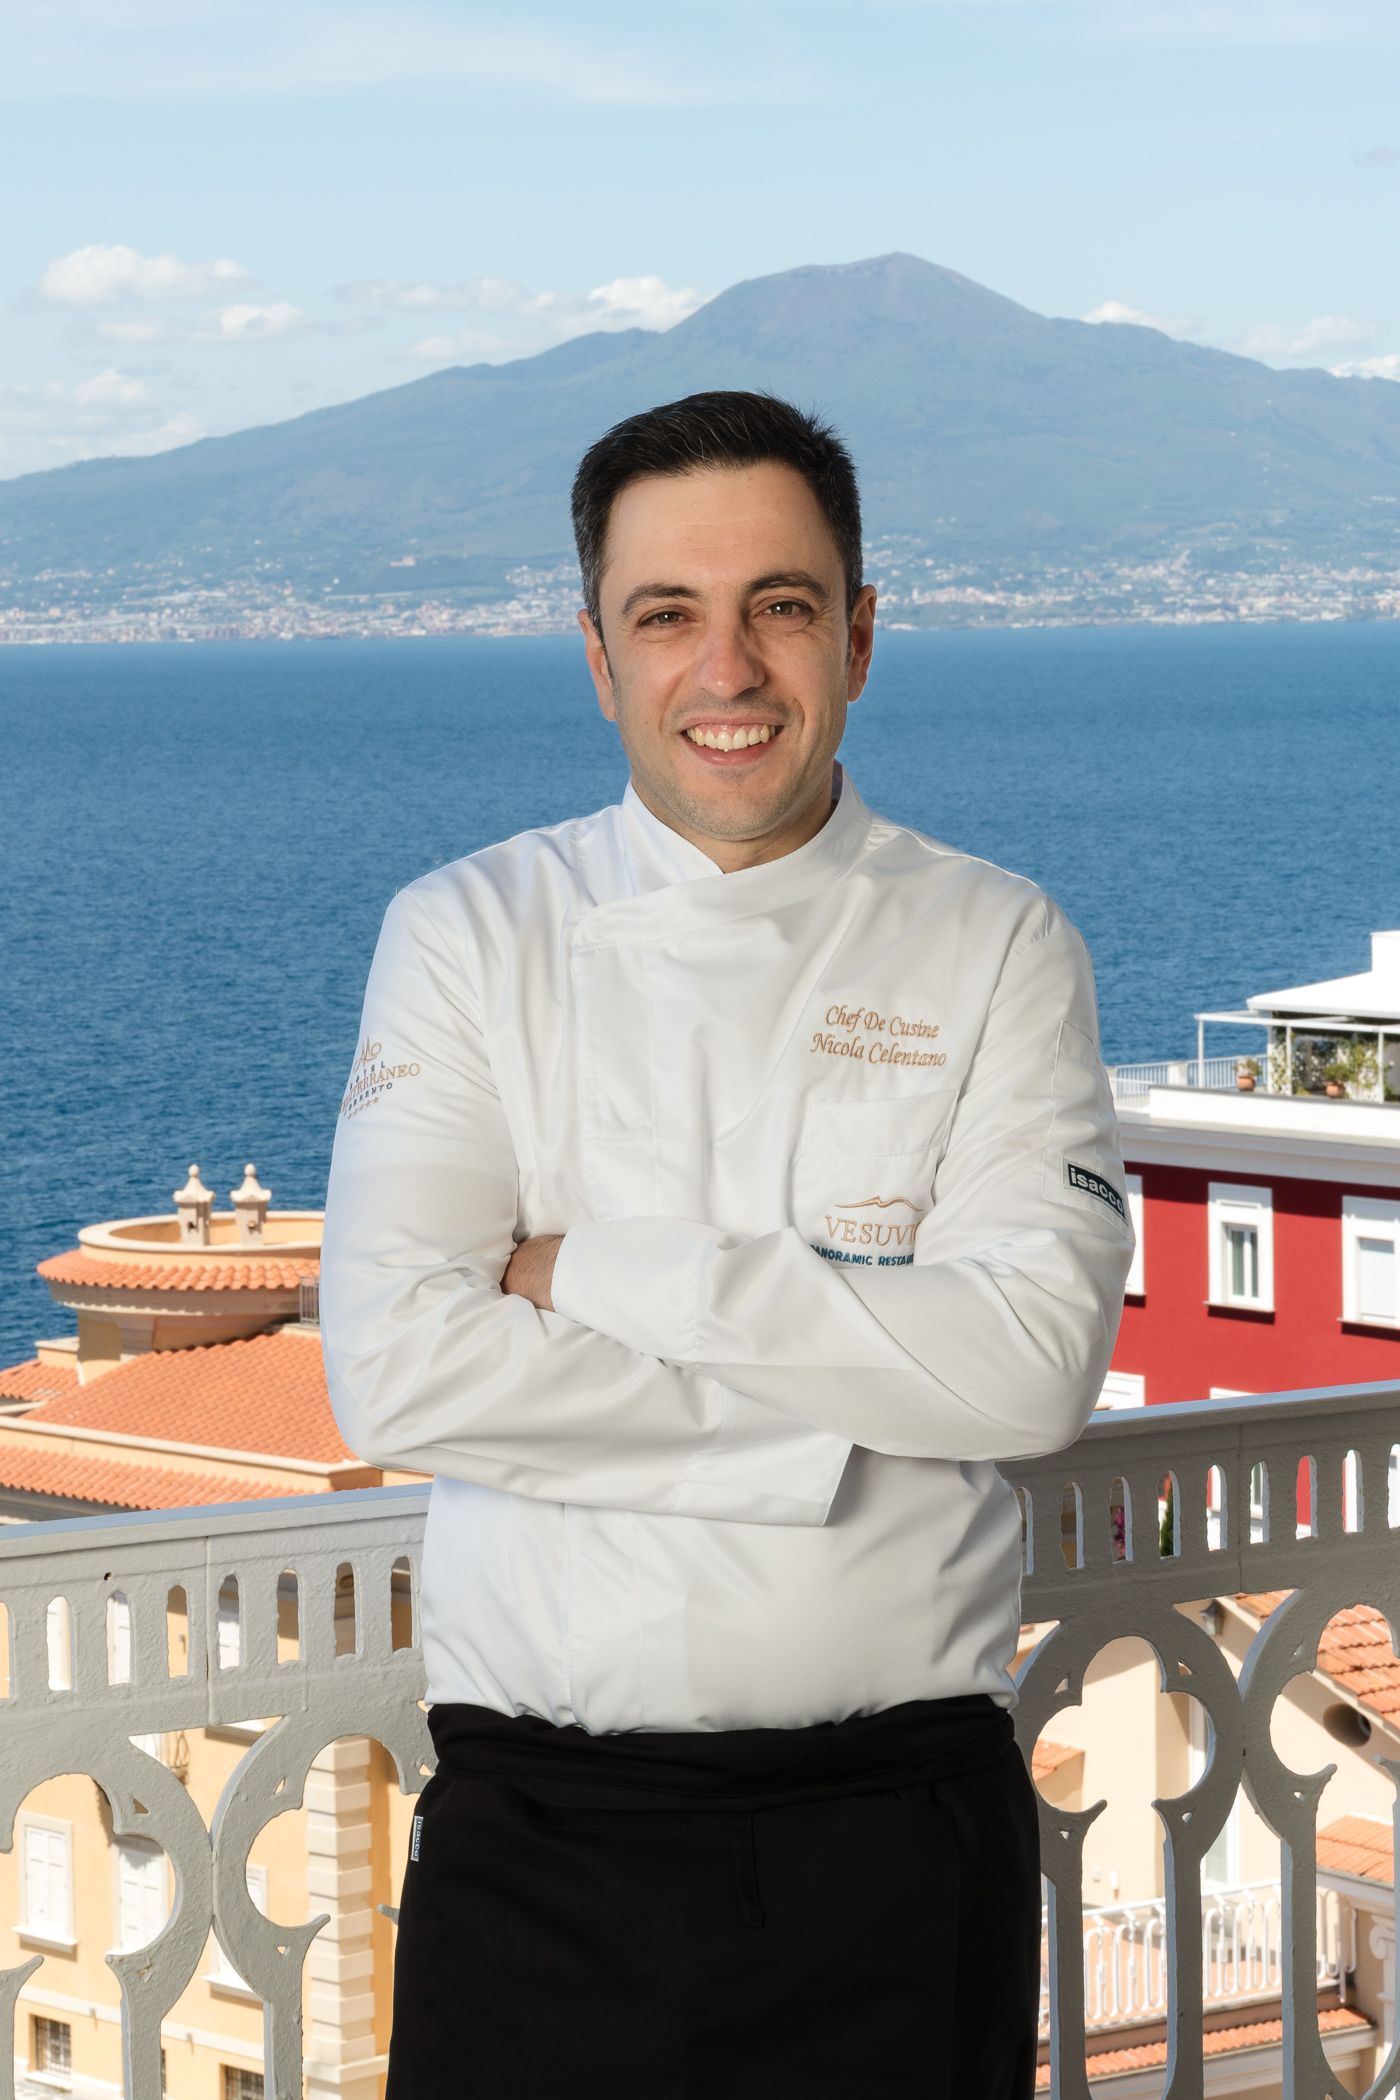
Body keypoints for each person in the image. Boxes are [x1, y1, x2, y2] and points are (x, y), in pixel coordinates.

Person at [318, 388, 1135, 2098]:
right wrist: (859, 1413)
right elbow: (396, 1371)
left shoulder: (996, 940)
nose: (729, 668)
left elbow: (1028, 1373)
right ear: (597, 656)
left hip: (899, 1837)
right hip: (545, 1839)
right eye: (666, 614)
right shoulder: (467, 934)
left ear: (860, 635)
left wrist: (592, 1273)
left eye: (781, 604)